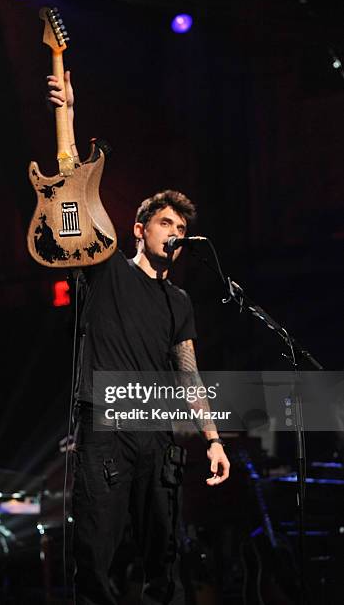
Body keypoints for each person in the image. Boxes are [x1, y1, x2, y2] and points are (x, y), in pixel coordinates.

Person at [47, 73, 230, 605]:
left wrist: (213, 438)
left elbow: (189, 371)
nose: (175, 233)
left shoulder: (179, 301)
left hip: (158, 432)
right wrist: (69, 120)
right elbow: (69, 203)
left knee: (165, 561)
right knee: (95, 558)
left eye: (181, 227)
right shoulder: (106, 269)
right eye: (166, 222)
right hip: (105, 427)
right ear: (139, 228)